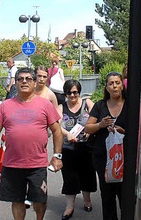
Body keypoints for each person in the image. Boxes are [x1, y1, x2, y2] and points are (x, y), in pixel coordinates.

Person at [0, 67, 63, 220]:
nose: (24, 81)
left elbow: (57, 131)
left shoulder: (45, 105)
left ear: (35, 83)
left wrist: (57, 156)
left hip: (37, 165)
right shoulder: (5, 105)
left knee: (39, 201)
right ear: (16, 83)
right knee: (17, 200)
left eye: (28, 78)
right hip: (12, 164)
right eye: (20, 79)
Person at [84, 71, 128, 220]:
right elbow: (87, 128)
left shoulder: (131, 105)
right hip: (103, 158)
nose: (114, 86)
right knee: (107, 196)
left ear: (122, 85)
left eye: (117, 82)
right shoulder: (100, 105)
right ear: (107, 87)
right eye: (111, 83)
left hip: (125, 158)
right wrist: (100, 125)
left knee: (125, 196)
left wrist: (124, 132)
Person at [58, 79, 97, 219]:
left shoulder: (87, 103)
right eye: (69, 93)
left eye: (75, 92)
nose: (73, 95)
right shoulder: (61, 107)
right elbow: (56, 126)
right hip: (68, 148)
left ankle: (87, 200)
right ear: (65, 93)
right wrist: (67, 134)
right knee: (69, 177)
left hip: (86, 147)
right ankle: (69, 207)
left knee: (87, 175)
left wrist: (90, 129)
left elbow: (97, 117)